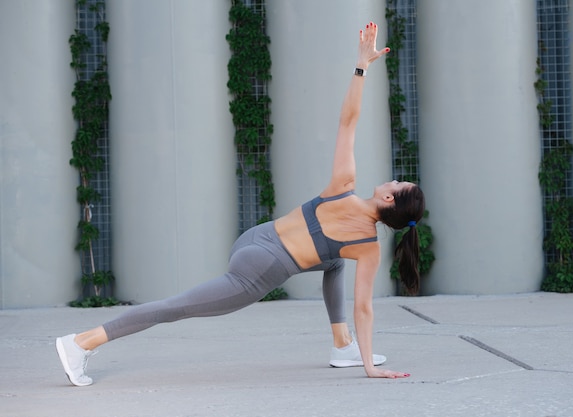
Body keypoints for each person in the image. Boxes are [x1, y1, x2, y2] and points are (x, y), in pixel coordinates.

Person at [56, 21, 425, 386]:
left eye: (397, 182)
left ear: (389, 198)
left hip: (255, 240)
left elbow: (349, 121)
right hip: (257, 270)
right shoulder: (367, 247)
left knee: (333, 260)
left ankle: (342, 345)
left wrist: (361, 65)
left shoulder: (342, 187)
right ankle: (81, 342)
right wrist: (371, 368)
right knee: (175, 308)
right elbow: (364, 307)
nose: (392, 178)